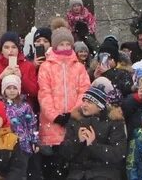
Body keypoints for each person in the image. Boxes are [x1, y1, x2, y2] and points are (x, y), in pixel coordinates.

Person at [39, 28, 91, 180]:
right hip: (51, 125)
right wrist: (55, 116)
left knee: (72, 166)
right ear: (55, 46)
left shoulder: (79, 67)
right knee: (52, 168)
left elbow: (84, 91)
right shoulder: (46, 67)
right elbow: (44, 94)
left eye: (68, 44)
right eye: (61, 44)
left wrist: (73, 113)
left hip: (73, 122)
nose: (65, 47)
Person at [57, 87, 126, 180]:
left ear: (100, 106)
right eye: (84, 101)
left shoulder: (114, 122)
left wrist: (93, 145)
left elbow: (118, 154)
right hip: (77, 173)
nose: (84, 105)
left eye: (89, 102)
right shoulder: (75, 120)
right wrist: (77, 141)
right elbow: (65, 153)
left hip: (105, 173)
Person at [0, 33, 40, 106]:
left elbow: (34, 93)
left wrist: (22, 78)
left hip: (24, 110)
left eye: (14, 47)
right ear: (1, 50)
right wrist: (0, 77)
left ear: (18, 49)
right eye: (6, 47)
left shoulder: (28, 66)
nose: (10, 50)